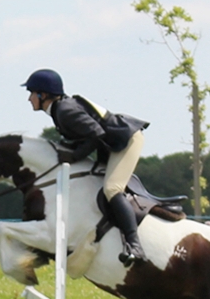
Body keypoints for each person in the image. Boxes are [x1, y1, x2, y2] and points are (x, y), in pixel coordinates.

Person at [23, 69, 149, 266]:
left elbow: (96, 134)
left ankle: (135, 245)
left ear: (43, 95)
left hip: (127, 140)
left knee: (112, 189)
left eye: (32, 93)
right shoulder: (60, 110)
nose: (29, 99)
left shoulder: (65, 111)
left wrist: (74, 156)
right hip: (111, 144)